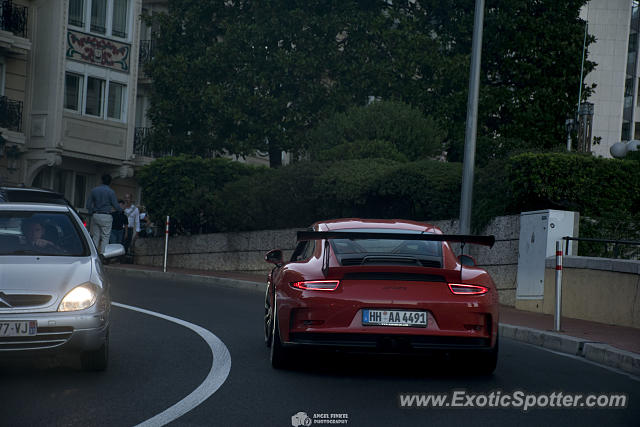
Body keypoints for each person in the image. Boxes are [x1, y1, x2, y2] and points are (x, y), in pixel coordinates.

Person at [87, 174, 122, 254]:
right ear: (110, 182)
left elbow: (88, 205)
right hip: (106, 215)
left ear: (101, 180)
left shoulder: (94, 190)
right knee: (105, 237)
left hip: (96, 215)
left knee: (96, 236)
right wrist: (121, 210)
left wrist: (92, 212)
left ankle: (93, 254)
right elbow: (116, 205)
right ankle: (103, 255)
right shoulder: (111, 192)